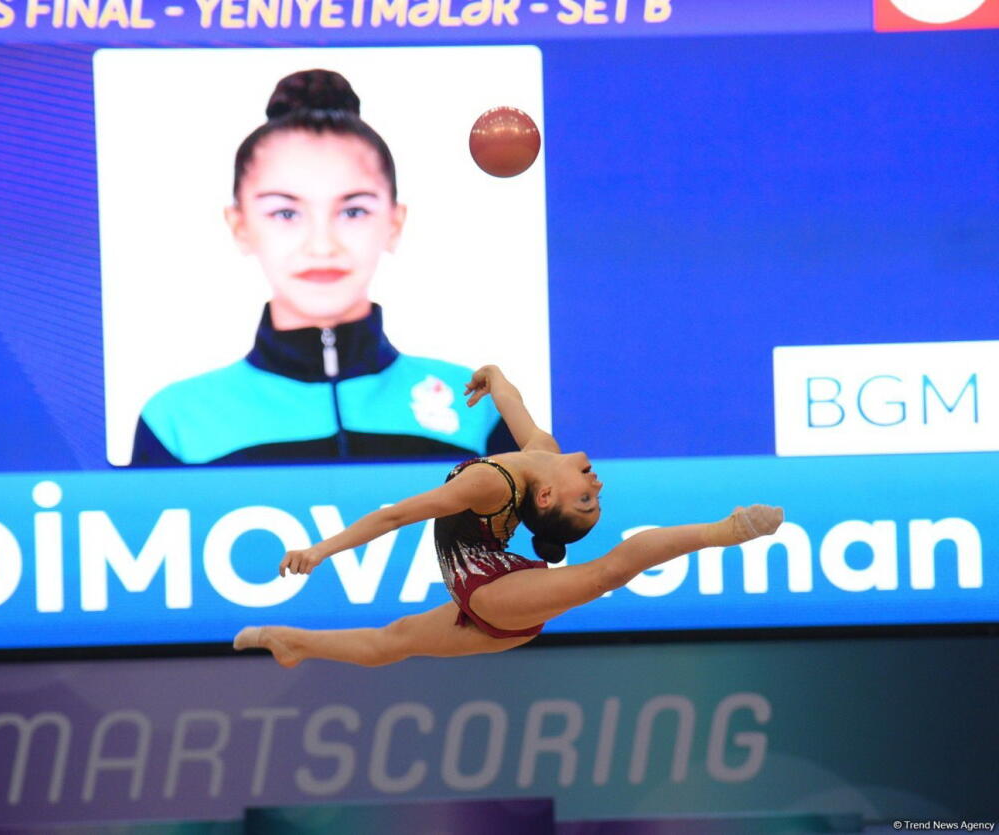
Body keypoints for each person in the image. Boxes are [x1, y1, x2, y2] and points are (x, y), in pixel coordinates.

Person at [233, 364, 784, 667]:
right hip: (495, 605)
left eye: (587, 499)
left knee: (606, 574)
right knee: (392, 640)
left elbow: (396, 516)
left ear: (545, 501)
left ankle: (726, 530)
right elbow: (515, 405)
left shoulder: (488, 486)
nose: (597, 484)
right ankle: (293, 640)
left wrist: (320, 550)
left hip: (492, 593)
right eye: (594, 495)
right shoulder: (542, 453)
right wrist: (493, 377)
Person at [130, 68, 516, 467]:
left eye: (353, 210)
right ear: (241, 226)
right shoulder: (177, 421)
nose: (321, 245)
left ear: (394, 224)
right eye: (284, 212)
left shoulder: (476, 408)